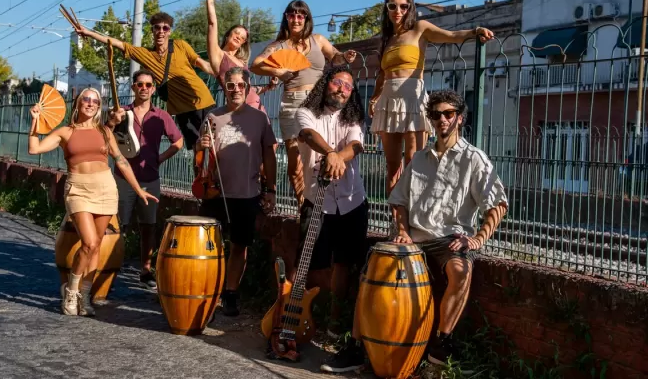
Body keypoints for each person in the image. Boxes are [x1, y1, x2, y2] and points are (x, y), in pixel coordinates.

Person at [322, 90, 507, 373]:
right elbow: (398, 201)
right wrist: (402, 231)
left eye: (448, 114)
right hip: (413, 239)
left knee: (460, 273)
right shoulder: (420, 158)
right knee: (369, 271)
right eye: (436, 115)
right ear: (431, 120)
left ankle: (441, 345)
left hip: (449, 239)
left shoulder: (474, 159)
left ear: (460, 118)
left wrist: (477, 238)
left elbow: (497, 203)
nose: (442, 119)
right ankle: (358, 348)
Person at [28, 88, 159, 316]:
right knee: (88, 243)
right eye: (86, 99)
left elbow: (121, 161)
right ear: (78, 103)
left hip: (106, 188)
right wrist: (35, 122)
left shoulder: (104, 132)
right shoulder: (65, 132)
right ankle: (71, 291)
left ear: (99, 106)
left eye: (95, 101)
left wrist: (139, 190)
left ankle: (85, 295)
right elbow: (34, 148)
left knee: (96, 245)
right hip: (78, 189)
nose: (90, 103)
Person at [368, 0, 494, 196]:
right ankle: (395, 221)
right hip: (389, 101)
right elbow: (382, 74)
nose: (397, 10)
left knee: (413, 163)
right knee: (391, 167)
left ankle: (412, 216)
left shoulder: (420, 28)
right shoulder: (387, 39)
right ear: (387, 9)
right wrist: (373, 99)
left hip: (412, 98)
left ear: (410, 8)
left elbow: (451, 35)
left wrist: (475, 32)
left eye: (403, 6)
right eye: (392, 6)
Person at [251, 0, 357, 210]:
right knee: (295, 160)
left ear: (307, 19)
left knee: (320, 155)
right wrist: (278, 72)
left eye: (301, 16)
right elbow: (255, 65)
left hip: (318, 102)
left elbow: (335, 57)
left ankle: (325, 204)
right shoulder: (278, 45)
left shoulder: (317, 40)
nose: (296, 19)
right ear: (287, 18)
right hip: (292, 102)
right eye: (292, 15)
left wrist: (344, 56)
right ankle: (303, 206)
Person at [196, 67, 277, 317]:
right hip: (216, 192)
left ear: (248, 87)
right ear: (225, 88)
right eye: (231, 86)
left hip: (247, 193)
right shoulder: (212, 117)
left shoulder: (260, 118)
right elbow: (199, 159)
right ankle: (207, 292)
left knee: (240, 246)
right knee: (209, 248)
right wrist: (200, 145)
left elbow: (269, 155)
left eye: (241, 85)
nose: (236, 90)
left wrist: (271, 189)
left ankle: (230, 293)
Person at [294, 66, 368, 340]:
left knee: (345, 264)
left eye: (348, 87)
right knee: (309, 263)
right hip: (317, 200)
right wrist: (330, 153)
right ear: (326, 84)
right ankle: (306, 315)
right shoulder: (306, 112)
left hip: (352, 200)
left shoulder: (353, 118)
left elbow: (357, 145)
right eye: (338, 83)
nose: (342, 89)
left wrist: (336, 157)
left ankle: (335, 323)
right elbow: (310, 135)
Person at [69, 12, 216, 150]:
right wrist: (88, 33)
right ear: (152, 30)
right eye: (157, 28)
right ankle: (201, 178)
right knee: (198, 148)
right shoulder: (146, 55)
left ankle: (217, 176)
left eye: (165, 28)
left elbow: (201, 63)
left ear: (169, 31)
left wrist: (218, 74)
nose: (161, 31)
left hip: (202, 100)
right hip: (181, 110)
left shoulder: (180, 45)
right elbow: (118, 44)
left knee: (215, 144)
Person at [106, 70, 183, 290]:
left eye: (148, 85)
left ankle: (146, 271)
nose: (144, 88)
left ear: (153, 89)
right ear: (133, 87)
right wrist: (112, 122)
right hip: (123, 178)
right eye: (140, 84)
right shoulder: (121, 113)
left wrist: (159, 159)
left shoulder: (162, 116)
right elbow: (105, 135)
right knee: (118, 225)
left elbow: (177, 142)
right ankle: (111, 266)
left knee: (148, 227)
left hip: (150, 178)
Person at [195, 0, 279, 110]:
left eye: (242, 37)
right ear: (228, 35)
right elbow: (212, 24)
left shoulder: (242, 62)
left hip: (258, 108)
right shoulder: (218, 55)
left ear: (243, 43)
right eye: (236, 33)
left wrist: (268, 87)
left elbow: (249, 90)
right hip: (240, 111)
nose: (239, 37)